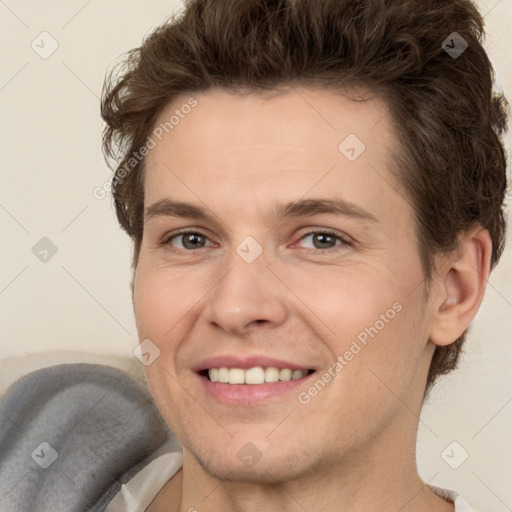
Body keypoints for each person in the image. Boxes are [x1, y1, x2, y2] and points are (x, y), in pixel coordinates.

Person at [99, 0, 509, 510]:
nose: (234, 306)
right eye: (191, 239)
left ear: (454, 287)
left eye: (321, 239)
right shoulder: (40, 450)